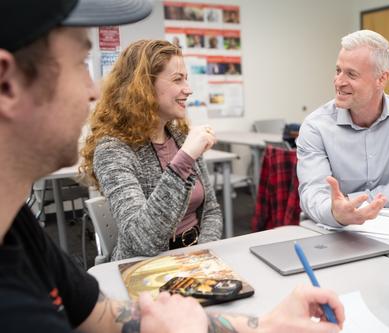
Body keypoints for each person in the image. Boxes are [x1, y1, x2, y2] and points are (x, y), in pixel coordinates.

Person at [0, 1, 345, 332]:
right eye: (80, 63)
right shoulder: (116, 148)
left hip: (195, 266)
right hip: (150, 271)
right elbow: (138, 241)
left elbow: (106, 316)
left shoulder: (21, 230)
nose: (93, 91)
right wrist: (183, 163)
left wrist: (262, 324)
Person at [81, 39, 223, 261]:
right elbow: (141, 241)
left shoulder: (181, 137)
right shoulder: (112, 150)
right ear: (144, 87)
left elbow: (211, 210)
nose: (189, 89)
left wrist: (202, 256)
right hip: (145, 267)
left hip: (197, 258)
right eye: (177, 79)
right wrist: (183, 160)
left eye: (186, 79)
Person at [296, 30, 389, 227]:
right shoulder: (315, 126)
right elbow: (314, 194)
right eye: (338, 71)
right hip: (332, 231)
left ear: (382, 79)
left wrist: (354, 201)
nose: (339, 82)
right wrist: (337, 212)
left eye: (351, 74)